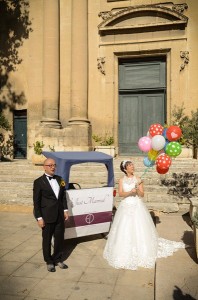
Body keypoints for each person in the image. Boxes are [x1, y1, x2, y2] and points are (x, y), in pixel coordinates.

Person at [103, 160, 185, 270]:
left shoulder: (138, 179)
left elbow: (142, 194)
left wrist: (137, 190)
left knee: (139, 227)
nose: (132, 166)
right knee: (124, 228)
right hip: (126, 206)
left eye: (132, 165)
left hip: (137, 206)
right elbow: (121, 194)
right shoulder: (121, 180)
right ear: (125, 169)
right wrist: (130, 192)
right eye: (130, 165)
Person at [33, 158, 69, 272]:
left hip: (59, 215)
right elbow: (36, 202)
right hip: (47, 216)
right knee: (47, 239)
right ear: (44, 167)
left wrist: (65, 210)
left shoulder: (60, 179)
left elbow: (63, 196)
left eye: (54, 165)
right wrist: (39, 218)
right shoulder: (38, 182)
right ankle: (49, 261)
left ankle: (58, 259)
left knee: (59, 238)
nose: (53, 167)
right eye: (50, 165)